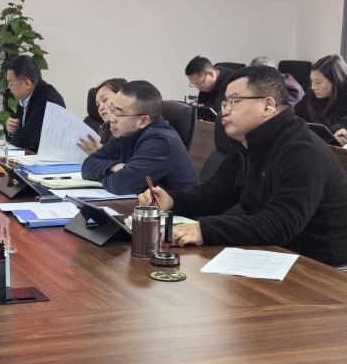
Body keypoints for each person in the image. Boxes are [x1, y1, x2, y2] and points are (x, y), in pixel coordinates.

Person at [140, 66, 347, 266]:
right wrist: (172, 200)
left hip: (322, 268)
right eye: (224, 102)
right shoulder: (250, 144)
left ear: (268, 105)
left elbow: (280, 223)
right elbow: (215, 194)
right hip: (276, 255)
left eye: (234, 101)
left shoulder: (301, 150)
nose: (224, 111)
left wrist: (203, 229)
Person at [82, 81, 199, 195]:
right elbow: (87, 167)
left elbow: (119, 184)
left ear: (143, 121)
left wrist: (108, 173)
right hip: (144, 204)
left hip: (176, 208)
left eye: (117, 113)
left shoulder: (160, 142)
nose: (111, 118)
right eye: (111, 110)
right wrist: (115, 166)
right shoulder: (125, 132)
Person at [3, 54, 65, 151]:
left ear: (27, 83)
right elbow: (17, 133)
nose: (9, 88)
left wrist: (16, 135)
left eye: (11, 83)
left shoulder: (47, 100)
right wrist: (10, 130)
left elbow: (26, 141)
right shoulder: (25, 96)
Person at [295, 55, 347, 144]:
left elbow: (335, 124)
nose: (313, 87)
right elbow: (295, 114)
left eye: (318, 82)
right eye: (312, 81)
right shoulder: (312, 93)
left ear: (335, 81)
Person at [77, 78, 127, 155]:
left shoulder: (131, 128)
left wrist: (103, 153)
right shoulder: (105, 128)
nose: (101, 108)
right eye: (98, 105)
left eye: (104, 100)